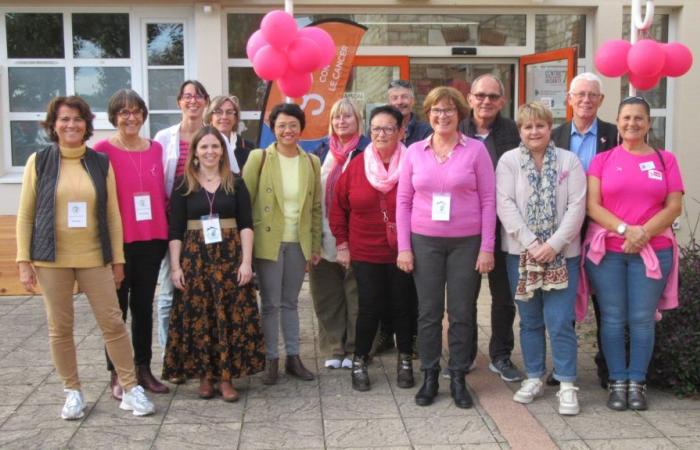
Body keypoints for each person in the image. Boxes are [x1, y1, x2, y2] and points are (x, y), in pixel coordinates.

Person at [16, 95, 155, 419]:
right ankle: (73, 391)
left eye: (77, 119)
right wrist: (24, 261)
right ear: (54, 124)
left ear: (86, 125)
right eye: (64, 119)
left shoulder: (98, 162)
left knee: (113, 322)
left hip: (94, 256)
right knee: (60, 328)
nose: (71, 125)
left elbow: (112, 215)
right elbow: (25, 215)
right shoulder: (39, 162)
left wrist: (117, 260)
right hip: (52, 259)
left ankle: (130, 388)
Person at [396, 86, 496, 409]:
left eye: (449, 110)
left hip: (466, 243)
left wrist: (487, 247)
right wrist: (404, 247)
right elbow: (403, 201)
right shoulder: (414, 152)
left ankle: (457, 376)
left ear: (459, 114)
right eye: (437, 110)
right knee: (428, 312)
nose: (443, 115)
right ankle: (429, 374)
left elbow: (488, 200)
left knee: (462, 312)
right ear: (429, 114)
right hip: (424, 241)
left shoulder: (476, 151)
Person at [583, 96, 683, 411]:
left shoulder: (665, 160)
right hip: (609, 252)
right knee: (612, 319)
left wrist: (643, 234)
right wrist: (628, 231)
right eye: (626, 118)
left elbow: (674, 206)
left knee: (641, 319)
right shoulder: (603, 160)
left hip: (655, 251)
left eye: (639, 118)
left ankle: (637, 382)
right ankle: (616, 381)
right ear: (618, 121)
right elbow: (593, 205)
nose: (632, 124)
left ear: (649, 123)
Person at [496, 102, 586, 416]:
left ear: (551, 128)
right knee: (530, 321)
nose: (534, 132)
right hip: (521, 256)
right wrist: (533, 243)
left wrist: (554, 244)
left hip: (563, 255)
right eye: (527, 127)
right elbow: (505, 204)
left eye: (540, 126)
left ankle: (566, 384)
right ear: (520, 131)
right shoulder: (508, 161)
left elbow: (577, 207)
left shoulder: (569, 161)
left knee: (560, 321)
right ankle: (534, 376)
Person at [163, 126, 264, 402]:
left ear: (223, 151)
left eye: (215, 147)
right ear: (195, 152)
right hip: (195, 259)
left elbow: (246, 225)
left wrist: (246, 262)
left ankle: (226, 377)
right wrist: (176, 267)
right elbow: (175, 231)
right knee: (201, 316)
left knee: (230, 314)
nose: (210, 152)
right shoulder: (184, 185)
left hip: (230, 257)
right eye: (204, 147)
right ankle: (205, 375)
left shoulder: (236, 182)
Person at [330, 105, 416, 392]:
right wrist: (342, 244)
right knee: (369, 308)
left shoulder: (413, 162)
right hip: (365, 250)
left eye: (388, 128)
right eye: (376, 129)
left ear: (401, 131)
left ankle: (405, 358)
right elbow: (338, 208)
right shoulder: (356, 166)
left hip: (404, 250)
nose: (381, 134)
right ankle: (359, 360)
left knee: (404, 306)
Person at [94, 89, 170, 400]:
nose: (131, 117)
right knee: (116, 311)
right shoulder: (101, 151)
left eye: (136, 111)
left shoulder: (155, 149)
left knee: (143, 308)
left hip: (151, 240)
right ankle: (118, 373)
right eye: (123, 112)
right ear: (114, 116)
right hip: (118, 244)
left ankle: (143, 368)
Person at [242, 103, 322, 385]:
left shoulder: (311, 161)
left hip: (297, 243)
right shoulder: (259, 157)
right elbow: (245, 202)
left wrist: (314, 246)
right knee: (271, 304)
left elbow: (314, 208)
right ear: (273, 129)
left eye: (293, 125)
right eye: (281, 126)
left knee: (291, 302)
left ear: (301, 128)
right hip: (268, 242)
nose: (287, 131)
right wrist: (246, 252)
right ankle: (270, 359)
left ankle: (293, 358)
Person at [551, 72, 618, 388]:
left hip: (603, 229)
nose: (586, 100)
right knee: (563, 300)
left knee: (605, 301)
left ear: (601, 100)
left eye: (592, 95)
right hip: (565, 231)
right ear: (570, 98)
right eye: (580, 94)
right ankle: (563, 367)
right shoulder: (554, 136)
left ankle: (607, 366)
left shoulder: (615, 135)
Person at [459, 74, 523, 382]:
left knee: (504, 296)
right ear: (470, 98)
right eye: (481, 95)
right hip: (467, 228)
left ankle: (501, 355)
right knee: (464, 295)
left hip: (505, 226)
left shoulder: (513, 130)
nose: (486, 101)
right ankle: (465, 354)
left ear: (502, 101)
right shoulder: (457, 129)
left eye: (493, 97)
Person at [309, 98, 369, 369]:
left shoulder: (368, 151)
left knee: (356, 294)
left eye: (347, 117)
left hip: (357, 233)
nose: (341, 121)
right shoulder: (320, 151)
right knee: (327, 294)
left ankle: (355, 347)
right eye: (337, 117)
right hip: (323, 232)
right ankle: (334, 347)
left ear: (358, 120)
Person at [375, 79, 432, 355]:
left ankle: (416, 337)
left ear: (413, 101)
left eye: (404, 97)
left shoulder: (426, 131)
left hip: (419, 218)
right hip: (386, 217)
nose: (400, 102)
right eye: (394, 97)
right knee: (387, 284)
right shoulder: (380, 131)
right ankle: (387, 333)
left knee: (415, 287)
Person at [154, 80, 209, 358]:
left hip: (204, 226)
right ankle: (169, 355)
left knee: (198, 292)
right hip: (171, 222)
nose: (193, 101)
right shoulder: (164, 137)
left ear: (205, 102)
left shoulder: (214, 137)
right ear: (179, 102)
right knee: (167, 291)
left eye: (198, 96)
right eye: (187, 96)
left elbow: (229, 175)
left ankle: (197, 353)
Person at [204, 95, 253, 172]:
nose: (224, 117)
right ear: (210, 117)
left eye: (229, 112)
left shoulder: (249, 148)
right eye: (218, 112)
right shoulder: (201, 146)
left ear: (236, 118)